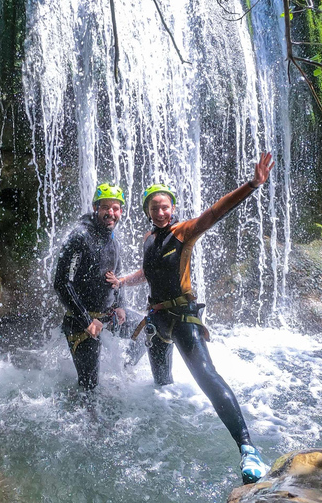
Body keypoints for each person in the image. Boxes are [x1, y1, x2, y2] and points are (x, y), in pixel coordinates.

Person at [108, 152, 274, 484]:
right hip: (157, 321)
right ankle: (163, 443)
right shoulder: (149, 239)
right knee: (160, 384)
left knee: (208, 377)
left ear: (172, 208)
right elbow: (150, 272)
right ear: (147, 212)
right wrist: (124, 280)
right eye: (154, 207)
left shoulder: (184, 232)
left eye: (164, 206)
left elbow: (216, 212)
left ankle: (248, 449)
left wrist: (252, 185)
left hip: (183, 317)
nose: (160, 211)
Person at [53, 183, 141, 390]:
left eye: (116, 208)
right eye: (105, 207)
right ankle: (82, 416)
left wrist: (120, 305)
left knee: (147, 331)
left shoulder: (113, 239)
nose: (111, 213)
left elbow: (115, 277)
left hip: (108, 316)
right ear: (96, 208)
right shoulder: (80, 237)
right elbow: (62, 283)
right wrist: (86, 320)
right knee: (89, 387)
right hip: (82, 322)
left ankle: (124, 370)